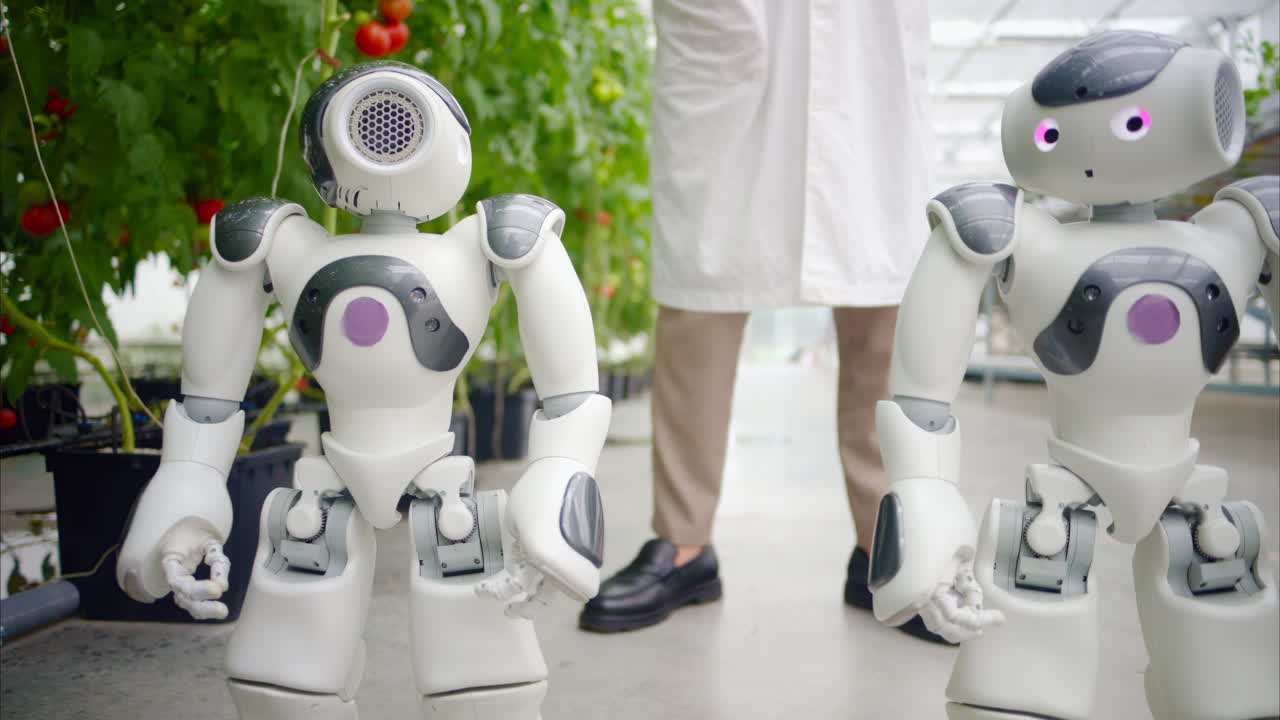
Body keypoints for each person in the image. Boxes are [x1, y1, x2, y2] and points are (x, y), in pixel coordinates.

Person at [578, 0, 945, 642]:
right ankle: (683, 545)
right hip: (732, 39)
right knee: (701, 284)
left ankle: (883, 549)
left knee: (881, 293)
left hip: (868, 39)